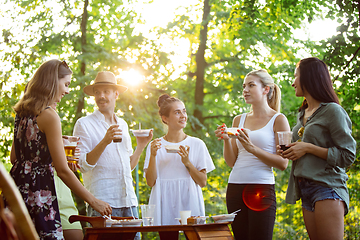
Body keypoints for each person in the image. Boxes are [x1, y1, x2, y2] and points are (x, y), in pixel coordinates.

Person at [9, 59, 112, 240]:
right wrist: (93, 201)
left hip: (17, 193)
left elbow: (14, 158)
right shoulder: (49, 115)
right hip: (41, 196)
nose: (67, 90)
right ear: (51, 82)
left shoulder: (22, 113)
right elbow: (63, 170)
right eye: (66, 84)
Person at [282, 57, 356, 240]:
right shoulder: (302, 115)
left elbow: (348, 156)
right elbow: (301, 151)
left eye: (295, 76)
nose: (292, 83)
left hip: (327, 187)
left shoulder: (333, 111)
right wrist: (289, 151)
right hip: (305, 188)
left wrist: (308, 148)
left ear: (309, 77)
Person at [214, 69, 290, 240]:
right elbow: (231, 161)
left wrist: (252, 148)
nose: (245, 90)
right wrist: (226, 140)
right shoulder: (238, 120)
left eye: (251, 85)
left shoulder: (279, 119)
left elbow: (283, 163)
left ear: (266, 89)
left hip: (261, 189)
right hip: (235, 187)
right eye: (244, 86)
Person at [73, 71, 152, 224]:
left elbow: (127, 167)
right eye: (97, 92)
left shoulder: (122, 124)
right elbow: (82, 165)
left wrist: (141, 146)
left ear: (116, 94)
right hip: (103, 204)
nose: (101, 96)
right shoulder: (84, 124)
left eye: (106, 91)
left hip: (129, 203)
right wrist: (105, 141)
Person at [144, 94, 215, 226]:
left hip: (189, 200)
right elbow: (150, 181)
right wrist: (153, 155)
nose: (183, 116)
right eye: (177, 112)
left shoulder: (197, 144)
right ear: (165, 118)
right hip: (163, 201)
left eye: (184, 111)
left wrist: (187, 162)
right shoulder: (155, 145)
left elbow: (202, 181)